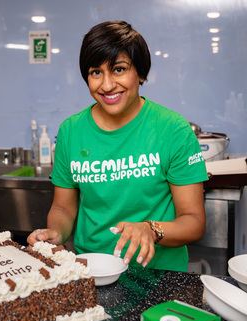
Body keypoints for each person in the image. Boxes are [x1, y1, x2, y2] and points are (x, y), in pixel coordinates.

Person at [27, 21, 208, 272]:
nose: (107, 85)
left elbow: (194, 221)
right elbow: (63, 207)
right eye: (96, 72)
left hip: (159, 274)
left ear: (141, 73)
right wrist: (56, 233)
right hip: (92, 271)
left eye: (119, 69)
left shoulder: (172, 129)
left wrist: (151, 229)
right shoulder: (71, 131)